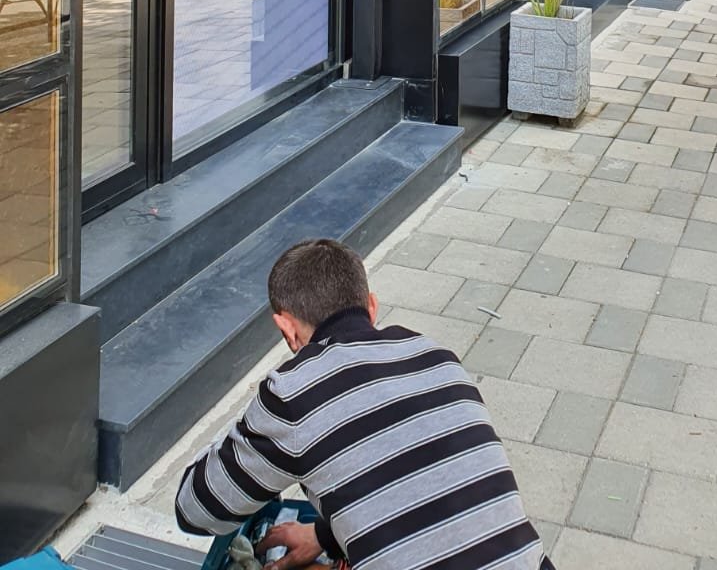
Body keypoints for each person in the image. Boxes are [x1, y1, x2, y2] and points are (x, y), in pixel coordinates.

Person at [175, 238, 555, 570]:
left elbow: (196, 511)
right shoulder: (437, 358)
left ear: (286, 328)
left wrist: (248, 431)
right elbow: (420, 480)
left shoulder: (292, 395)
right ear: (371, 307)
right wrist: (325, 535)